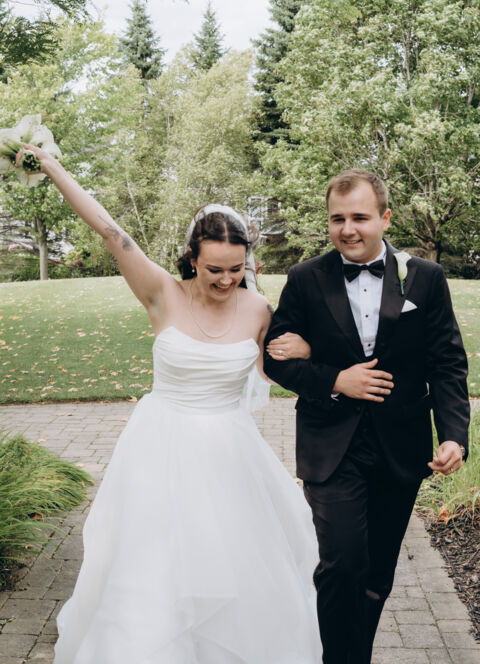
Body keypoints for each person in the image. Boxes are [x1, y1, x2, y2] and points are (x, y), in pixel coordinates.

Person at [17, 144, 323, 663]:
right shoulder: (161, 293)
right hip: (160, 445)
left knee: (231, 558)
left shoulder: (260, 309)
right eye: (214, 269)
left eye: (236, 269)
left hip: (230, 452)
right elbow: (110, 231)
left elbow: (278, 370)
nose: (226, 280)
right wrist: (51, 166)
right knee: (154, 562)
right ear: (192, 260)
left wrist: (308, 351)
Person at [264, 169, 470, 664]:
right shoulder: (305, 278)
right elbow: (276, 358)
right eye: (337, 219)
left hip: (400, 447)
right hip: (330, 444)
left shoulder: (425, 277)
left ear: (385, 218)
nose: (348, 229)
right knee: (342, 562)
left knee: (376, 573)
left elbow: (446, 362)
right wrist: (335, 379)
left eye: (359, 217)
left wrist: (454, 436)